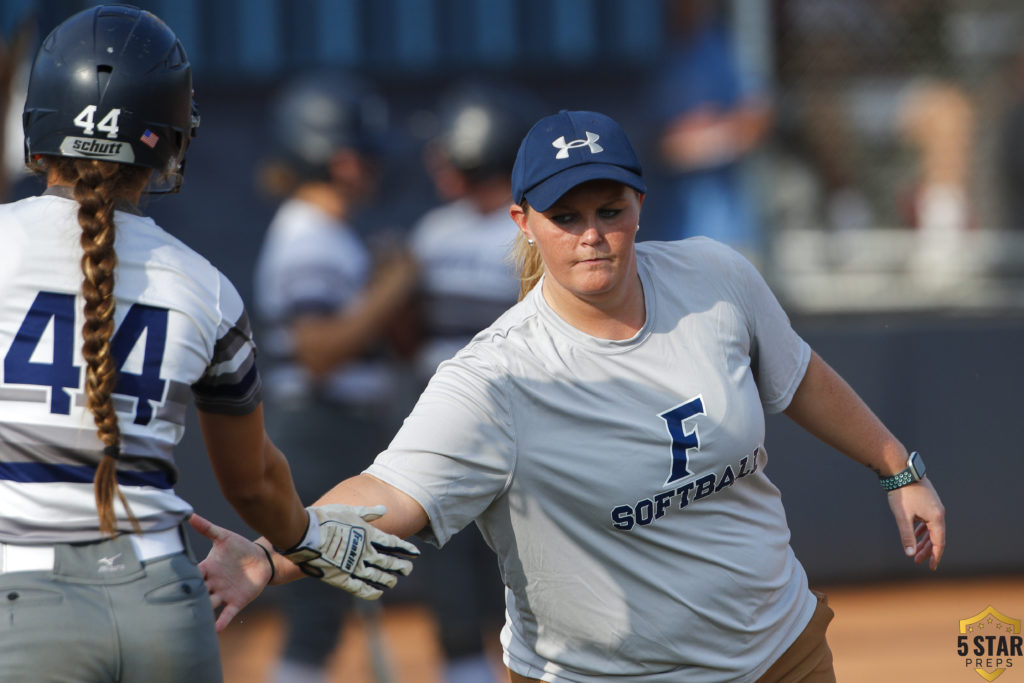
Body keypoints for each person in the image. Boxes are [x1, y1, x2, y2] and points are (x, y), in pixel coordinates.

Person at [193, 109, 946, 682]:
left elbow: (800, 374)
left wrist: (897, 468)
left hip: (781, 653)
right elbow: (388, 491)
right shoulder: (498, 374)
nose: (592, 235)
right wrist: (270, 553)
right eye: (566, 216)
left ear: (640, 204)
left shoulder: (716, 276)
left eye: (609, 209)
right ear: (523, 222)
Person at [0, 7, 416, 683]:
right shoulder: (205, 287)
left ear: (40, 130)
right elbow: (252, 482)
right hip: (165, 605)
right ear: (170, 141)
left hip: (19, 599)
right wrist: (305, 538)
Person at [251, 71, 420, 682]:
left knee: (335, 599)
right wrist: (393, 285)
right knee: (317, 605)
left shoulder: (328, 232)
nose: (373, 166)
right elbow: (318, 350)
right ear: (338, 159)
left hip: (334, 427)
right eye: (362, 153)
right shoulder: (307, 234)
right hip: (318, 429)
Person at [406, 82, 538, 683]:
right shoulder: (435, 232)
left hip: (506, 425)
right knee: (460, 586)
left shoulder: (525, 235)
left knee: (508, 581)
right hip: (459, 423)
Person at [642, 0, 773, 259]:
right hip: (667, 237)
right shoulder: (653, 53)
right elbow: (659, 146)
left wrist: (704, 137)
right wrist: (720, 128)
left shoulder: (722, 46)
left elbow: (758, 121)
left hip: (730, 234)